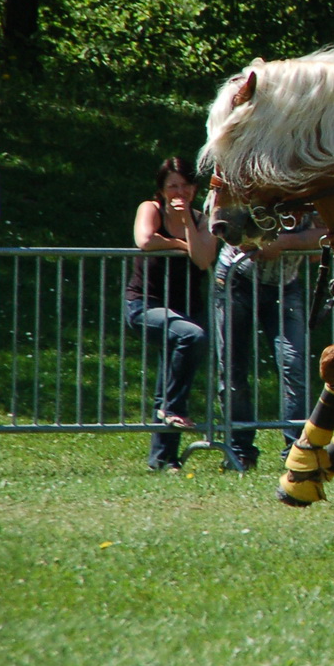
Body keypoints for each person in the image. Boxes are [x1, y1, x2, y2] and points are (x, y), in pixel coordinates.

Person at [213, 213, 325, 469]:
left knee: (293, 364)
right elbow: (237, 237)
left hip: (286, 285)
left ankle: (297, 452)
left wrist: (282, 243)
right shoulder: (254, 186)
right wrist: (292, 241)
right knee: (232, 369)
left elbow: (324, 237)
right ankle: (240, 451)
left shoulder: (309, 190)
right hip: (235, 279)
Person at [128, 157, 216, 472]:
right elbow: (145, 239)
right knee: (192, 336)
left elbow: (204, 259)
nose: (179, 192)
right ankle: (172, 409)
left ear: (194, 188)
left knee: (170, 379)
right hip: (145, 306)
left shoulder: (202, 218)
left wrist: (189, 225)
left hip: (186, 309)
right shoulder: (150, 209)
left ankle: (162, 460)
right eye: (172, 186)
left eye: (185, 185)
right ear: (162, 190)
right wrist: (181, 243)